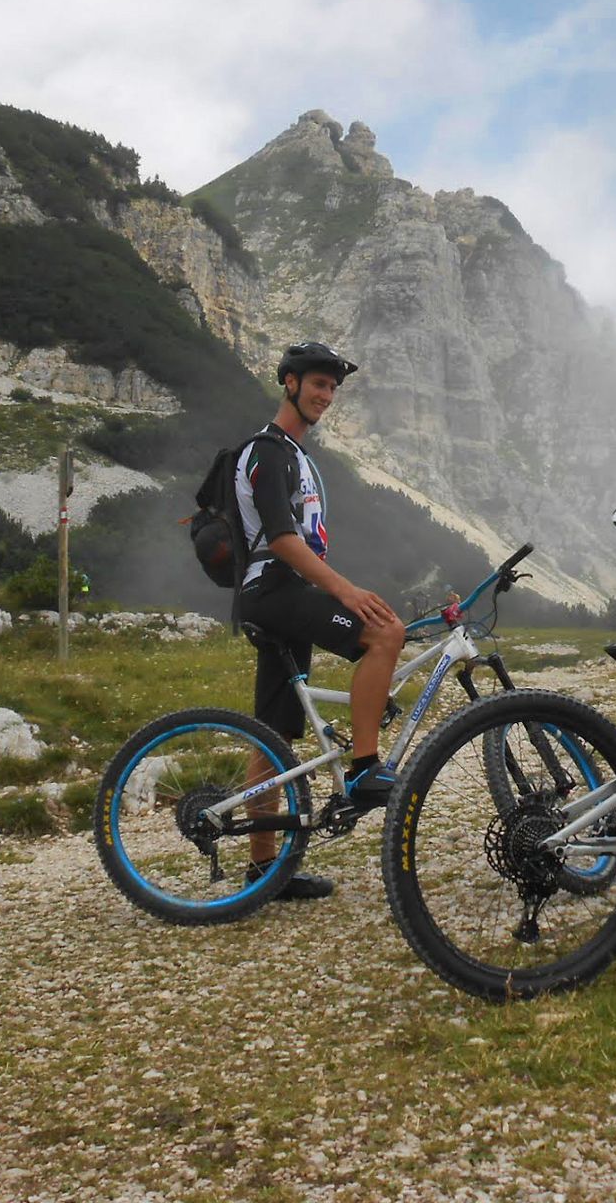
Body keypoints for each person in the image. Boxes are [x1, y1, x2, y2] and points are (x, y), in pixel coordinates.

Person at [235, 341, 407, 900]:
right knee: (385, 632)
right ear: (289, 382)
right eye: (317, 384)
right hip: (275, 589)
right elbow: (283, 539)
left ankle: (264, 872)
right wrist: (346, 591)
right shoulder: (271, 451)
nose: (325, 395)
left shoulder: (297, 455)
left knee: (274, 739)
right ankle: (363, 768)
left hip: (279, 593)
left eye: (332, 387)